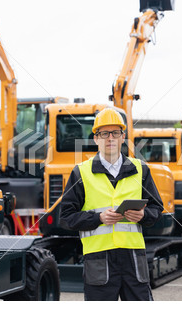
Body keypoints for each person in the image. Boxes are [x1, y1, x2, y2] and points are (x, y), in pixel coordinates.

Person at [60, 108, 163, 301]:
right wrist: (98, 218)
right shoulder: (81, 173)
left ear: (123, 137)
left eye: (115, 133)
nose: (110, 138)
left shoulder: (141, 170)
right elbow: (66, 218)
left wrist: (143, 215)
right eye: (104, 133)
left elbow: (157, 209)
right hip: (98, 260)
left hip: (133, 258)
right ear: (96, 138)